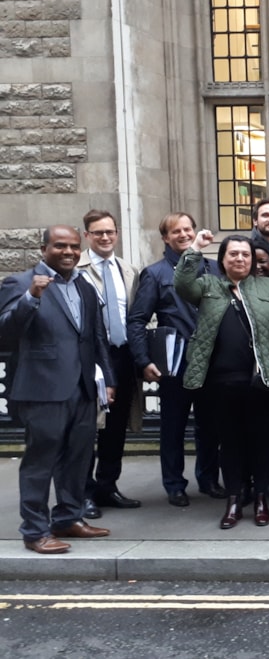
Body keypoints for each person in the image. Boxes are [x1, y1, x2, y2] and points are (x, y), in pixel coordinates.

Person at [175, 230, 269, 529]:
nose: (240, 258)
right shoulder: (209, 285)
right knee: (230, 443)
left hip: (262, 381)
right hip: (221, 383)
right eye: (233, 254)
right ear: (222, 260)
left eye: (245, 254)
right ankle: (234, 499)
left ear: (253, 260)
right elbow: (182, 284)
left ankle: (261, 499)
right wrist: (196, 248)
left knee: (263, 442)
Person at [0, 225, 115, 554]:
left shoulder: (85, 286)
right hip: (42, 389)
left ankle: (68, 517)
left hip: (82, 388)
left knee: (78, 458)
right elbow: (4, 333)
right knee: (40, 462)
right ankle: (35, 531)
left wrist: (108, 380)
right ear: (43, 248)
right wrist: (30, 299)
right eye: (60, 246)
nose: (68, 252)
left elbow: (95, 339)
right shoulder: (21, 283)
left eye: (74, 247)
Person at [126, 212, 223, 507]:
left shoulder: (214, 269)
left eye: (188, 229)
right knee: (173, 427)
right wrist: (143, 360)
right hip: (174, 362)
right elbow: (138, 320)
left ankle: (208, 479)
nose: (183, 234)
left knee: (211, 425)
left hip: (211, 360)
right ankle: (174, 484)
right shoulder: (155, 274)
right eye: (176, 231)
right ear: (165, 238)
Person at [77, 210, 142, 518]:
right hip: (89, 360)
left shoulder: (128, 270)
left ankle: (107, 486)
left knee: (116, 428)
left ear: (117, 234)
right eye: (98, 232)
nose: (105, 237)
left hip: (122, 356)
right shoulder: (76, 270)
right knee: (89, 429)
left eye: (110, 232)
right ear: (87, 235)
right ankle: (83, 493)